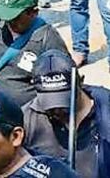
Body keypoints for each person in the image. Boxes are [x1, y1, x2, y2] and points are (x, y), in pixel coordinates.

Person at [22, 49, 110, 177]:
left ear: (81, 82)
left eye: (64, 100)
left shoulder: (106, 108)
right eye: (49, 104)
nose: (57, 110)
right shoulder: (27, 120)